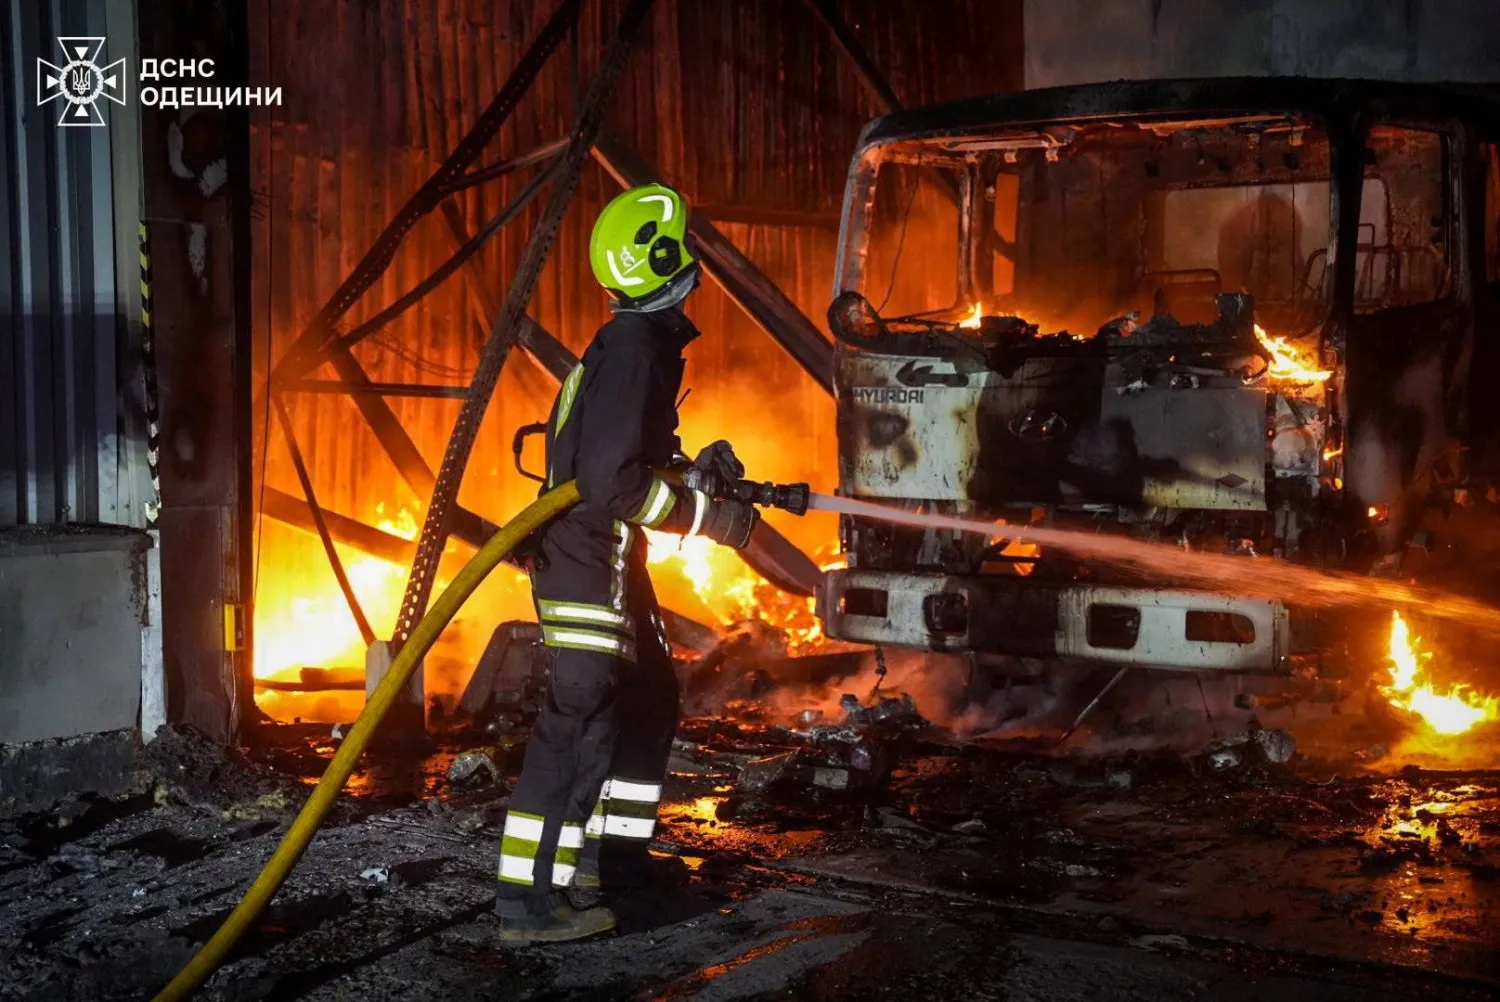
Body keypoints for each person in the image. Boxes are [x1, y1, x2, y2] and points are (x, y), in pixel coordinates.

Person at [493, 182, 761, 943]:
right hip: (585, 562)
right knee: (579, 721)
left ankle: (613, 861)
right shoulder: (639, 350)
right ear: (666, 260)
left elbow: (624, 457)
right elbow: (612, 483)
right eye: (688, 246)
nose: (698, 259)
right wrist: (715, 520)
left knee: (647, 701)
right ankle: (529, 902)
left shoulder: (637, 347)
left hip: (605, 558)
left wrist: (689, 466)